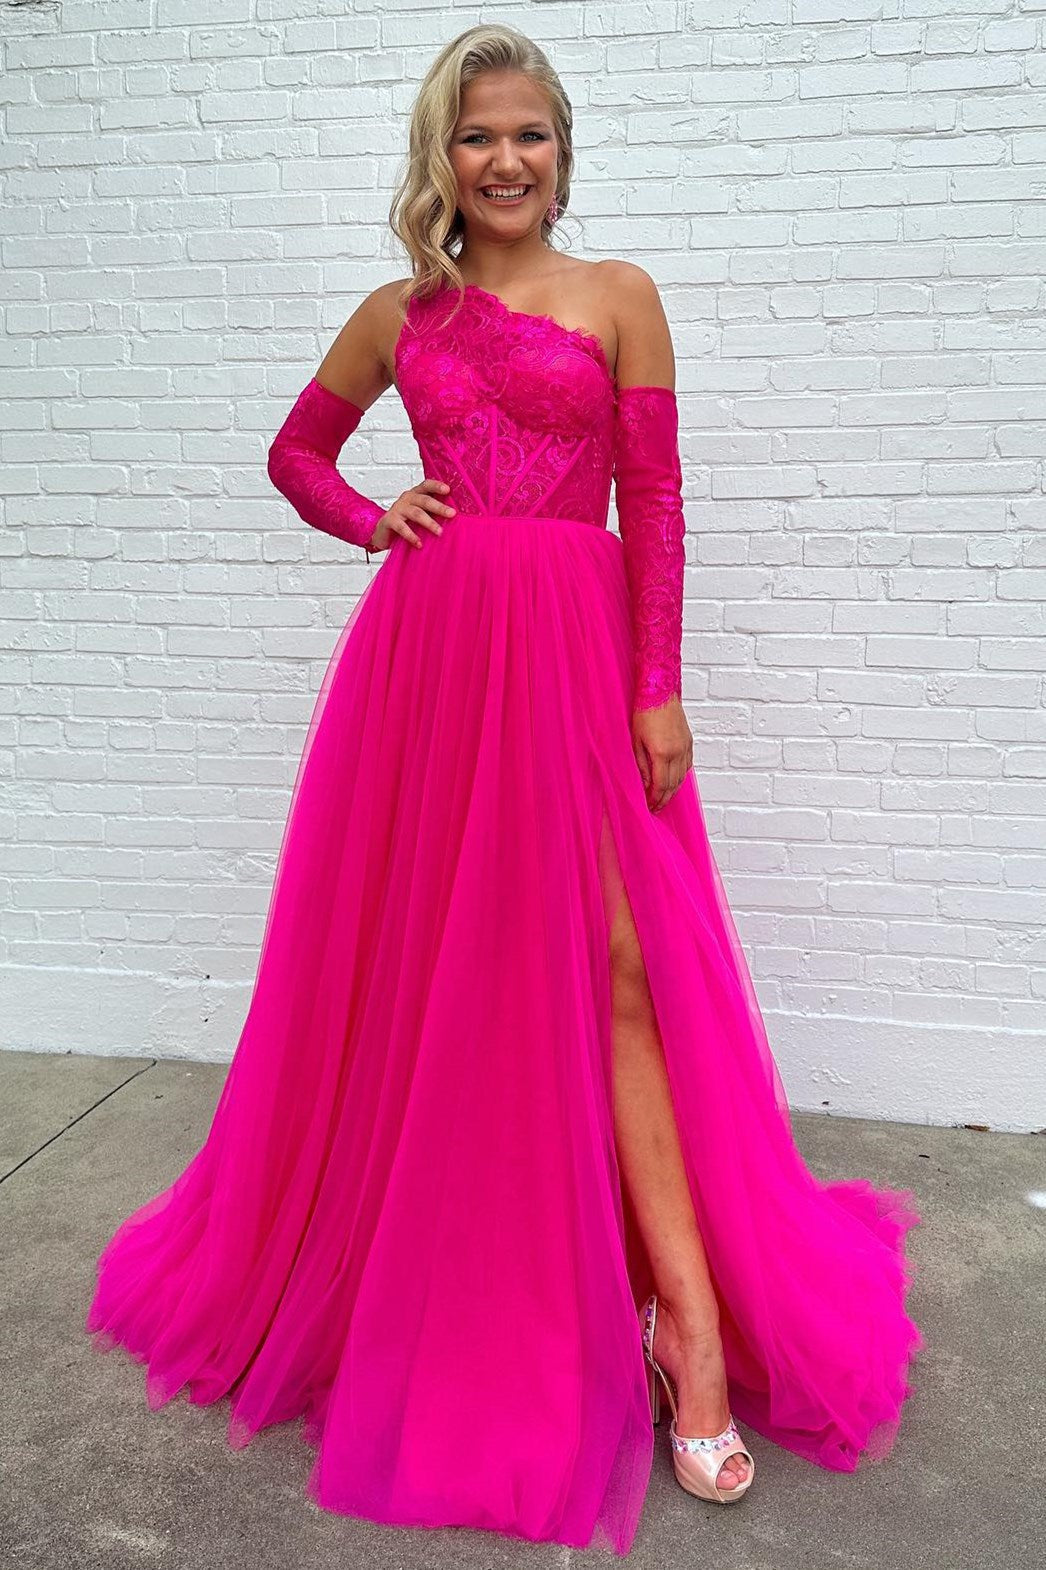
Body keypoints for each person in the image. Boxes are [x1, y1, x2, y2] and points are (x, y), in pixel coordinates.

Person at [85, 22, 923, 1557]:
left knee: (620, 968)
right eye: (478, 135)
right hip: (433, 658)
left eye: (529, 132)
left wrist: (657, 684)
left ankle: (687, 1321)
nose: (505, 158)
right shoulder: (397, 312)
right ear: (440, 156)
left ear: (562, 149)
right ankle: (488, 1287)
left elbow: (653, 497)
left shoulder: (619, 298)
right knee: (444, 971)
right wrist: (372, 518)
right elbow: (296, 454)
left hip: (578, 656)